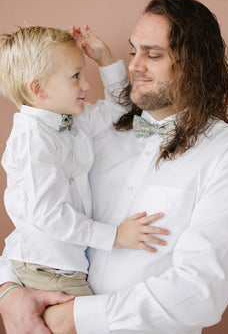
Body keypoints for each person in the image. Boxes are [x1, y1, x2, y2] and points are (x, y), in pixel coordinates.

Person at [1, 0, 228, 334]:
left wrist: (73, 318)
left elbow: (201, 290)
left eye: (152, 55)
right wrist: (7, 291)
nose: (134, 66)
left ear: (193, 64)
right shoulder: (87, 130)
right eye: (133, 51)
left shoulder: (227, 154)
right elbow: (35, 216)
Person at [0, 25, 169, 300]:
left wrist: (105, 60)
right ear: (39, 89)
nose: (87, 85)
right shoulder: (33, 139)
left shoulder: (70, 121)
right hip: (49, 271)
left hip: (64, 267)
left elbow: (120, 109)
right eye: (76, 76)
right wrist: (115, 236)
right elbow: (50, 216)